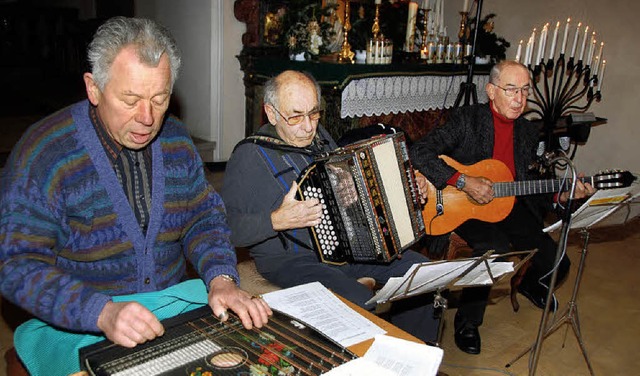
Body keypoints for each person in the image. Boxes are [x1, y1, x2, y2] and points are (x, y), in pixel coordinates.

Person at [0, 16, 270, 373]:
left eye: (159, 98)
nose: (147, 117)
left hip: (169, 305)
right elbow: (15, 263)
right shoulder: (45, 154)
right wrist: (101, 312)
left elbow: (203, 217)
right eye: (130, 99)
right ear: (93, 88)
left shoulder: (175, 140)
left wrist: (221, 278)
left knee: (255, 353)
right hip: (75, 321)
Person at [221, 70, 439, 344]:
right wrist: (277, 220)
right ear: (272, 114)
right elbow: (227, 230)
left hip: (347, 250)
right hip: (292, 261)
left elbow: (347, 193)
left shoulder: (320, 139)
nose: (309, 126)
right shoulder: (249, 157)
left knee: (423, 275)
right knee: (359, 302)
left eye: (314, 113)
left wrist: (391, 191)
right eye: (296, 116)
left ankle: (414, 356)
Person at [409, 60, 596, 355]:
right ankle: (467, 322)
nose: (519, 99)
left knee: (556, 259)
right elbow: (419, 151)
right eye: (511, 90)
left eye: (524, 91)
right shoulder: (467, 120)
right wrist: (462, 181)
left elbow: (533, 183)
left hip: (509, 203)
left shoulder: (527, 131)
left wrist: (563, 196)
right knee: (493, 248)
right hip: (462, 205)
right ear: (491, 91)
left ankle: (528, 284)